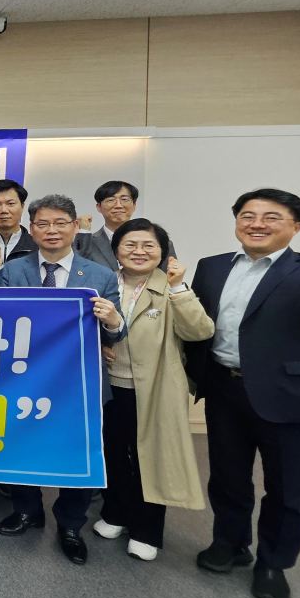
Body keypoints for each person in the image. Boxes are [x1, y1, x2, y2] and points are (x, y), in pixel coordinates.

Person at [186, 188, 300, 598]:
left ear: (296, 227)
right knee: (227, 476)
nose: (257, 224)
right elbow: (197, 325)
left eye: (271, 217)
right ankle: (230, 543)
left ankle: (273, 563)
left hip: (290, 394)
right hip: (225, 388)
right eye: (247, 215)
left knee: (287, 487)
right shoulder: (211, 267)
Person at [0, 194, 124, 565]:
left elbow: (117, 334)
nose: (51, 230)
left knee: (77, 453)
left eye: (60, 223)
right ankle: (27, 510)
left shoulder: (100, 276)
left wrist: (112, 320)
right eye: (42, 224)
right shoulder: (13, 270)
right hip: (23, 380)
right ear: (32, 228)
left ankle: (70, 525)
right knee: (21, 446)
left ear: (74, 227)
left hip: (78, 385)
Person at [92, 218, 213, 563]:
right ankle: (115, 513)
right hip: (108, 386)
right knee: (112, 454)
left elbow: (200, 331)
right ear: (116, 250)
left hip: (154, 389)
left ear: (162, 251)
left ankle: (146, 530)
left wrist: (179, 289)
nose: (139, 251)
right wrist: (102, 344)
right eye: (130, 244)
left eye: (149, 245)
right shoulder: (103, 283)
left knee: (150, 459)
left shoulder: (171, 287)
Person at [74, 180, 177, 272]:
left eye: (124, 199)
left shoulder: (160, 243)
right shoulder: (88, 242)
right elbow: (76, 269)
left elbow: (169, 279)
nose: (118, 205)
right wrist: (83, 232)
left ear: (134, 205)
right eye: (110, 200)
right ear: (99, 207)